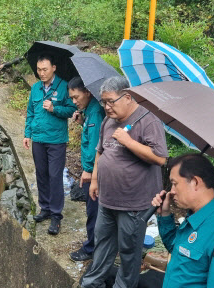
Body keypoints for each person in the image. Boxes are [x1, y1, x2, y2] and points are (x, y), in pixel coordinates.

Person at [81, 76, 168, 288]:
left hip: (133, 204)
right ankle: (92, 283)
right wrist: (94, 180)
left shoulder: (149, 121)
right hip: (107, 199)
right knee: (102, 244)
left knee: (129, 251)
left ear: (127, 97)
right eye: (103, 102)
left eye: (111, 101)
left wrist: (128, 142)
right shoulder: (108, 121)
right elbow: (100, 152)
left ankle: (124, 286)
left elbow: (160, 158)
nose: (107, 107)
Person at [151, 154, 214, 287]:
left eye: (174, 184)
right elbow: (177, 250)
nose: (171, 191)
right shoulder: (196, 216)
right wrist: (165, 215)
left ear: (195, 182)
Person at [23, 54, 76, 235]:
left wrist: (55, 109)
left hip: (56, 140)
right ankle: (44, 208)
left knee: (55, 177)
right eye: (39, 70)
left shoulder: (64, 86)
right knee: (42, 174)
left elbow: (71, 110)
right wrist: (27, 134)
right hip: (38, 138)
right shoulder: (36, 88)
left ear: (53, 67)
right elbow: (30, 111)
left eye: (45, 69)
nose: (41, 73)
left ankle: (56, 215)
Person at [67, 77, 105, 261]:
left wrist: (89, 170)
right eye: (72, 98)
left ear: (88, 92)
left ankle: (91, 248)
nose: (74, 101)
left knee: (94, 211)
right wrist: (82, 121)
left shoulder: (96, 112)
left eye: (76, 97)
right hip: (93, 169)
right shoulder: (90, 111)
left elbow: (96, 145)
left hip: (95, 171)